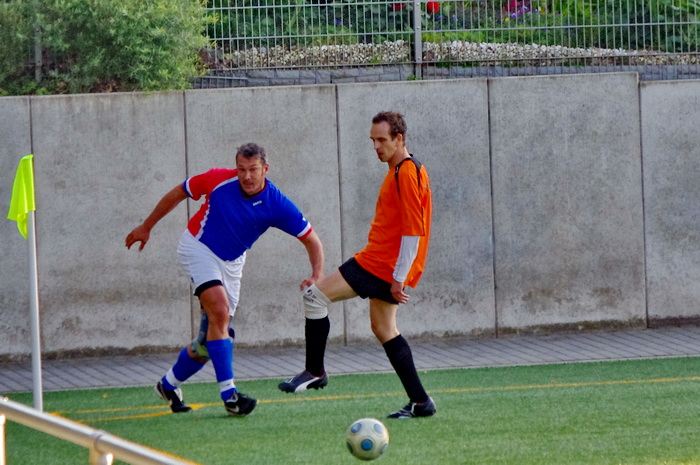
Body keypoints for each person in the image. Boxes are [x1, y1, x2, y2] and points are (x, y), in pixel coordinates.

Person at [125, 142, 324, 416]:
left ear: (265, 169)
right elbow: (179, 192)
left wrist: (316, 275)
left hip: (232, 263)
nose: (247, 176)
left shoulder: (276, 203)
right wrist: (146, 226)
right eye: (241, 169)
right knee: (219, 312)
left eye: (253, 169)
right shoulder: (219, 180)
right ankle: (230, 397)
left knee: (211, 341)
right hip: (198, 248)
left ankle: (168, 385)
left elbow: (311, 239)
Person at [278, 111, 435, 419]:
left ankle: (315, 371)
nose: (376, 147)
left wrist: (398, 277)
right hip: (385, 264)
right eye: (372, 141)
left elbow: (413, 232)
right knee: (384, 328)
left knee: (315, 297)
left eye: (382, 140)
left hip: (380, 264)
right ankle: (420, 401)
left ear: (399, 139)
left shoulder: (406, 173)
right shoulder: (403, 170)